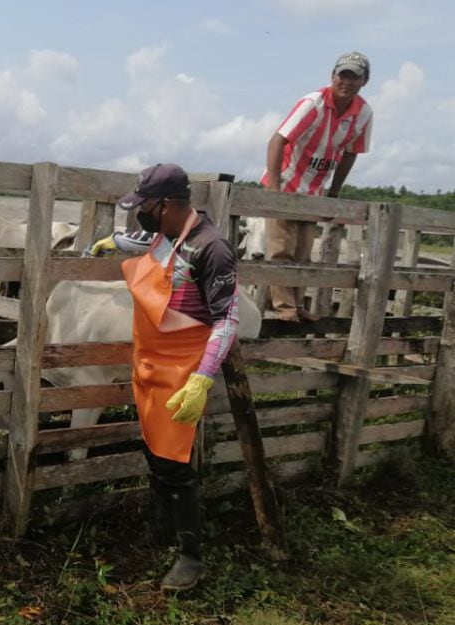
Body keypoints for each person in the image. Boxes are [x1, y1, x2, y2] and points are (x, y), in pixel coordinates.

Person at [86, 163, 241, 591]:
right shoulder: (166, 234)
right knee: (154, 451)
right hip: (149, 362)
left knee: (176, 464)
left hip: (183, 370)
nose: (141, 214)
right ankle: (161, 527)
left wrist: (203, 379)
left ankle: (192, 557)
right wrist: (111, 242)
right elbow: (143, 242)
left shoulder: (212, 248)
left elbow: (228, 319)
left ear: (169, 205)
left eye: (145, 207)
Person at [263, 51, 374, 322]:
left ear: (364, 81)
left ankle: (297, 304)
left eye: (353, 77)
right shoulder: (313, 103)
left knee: (303, 253)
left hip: (314, 189)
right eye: (342, 75)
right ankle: (284, 307)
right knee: (281, 250)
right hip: (287, 182)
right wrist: (275, 190)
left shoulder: (364, 113)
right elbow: (277, 140)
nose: (346, 82)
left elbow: (350, 153)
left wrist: (334, 192)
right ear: (332, 76)